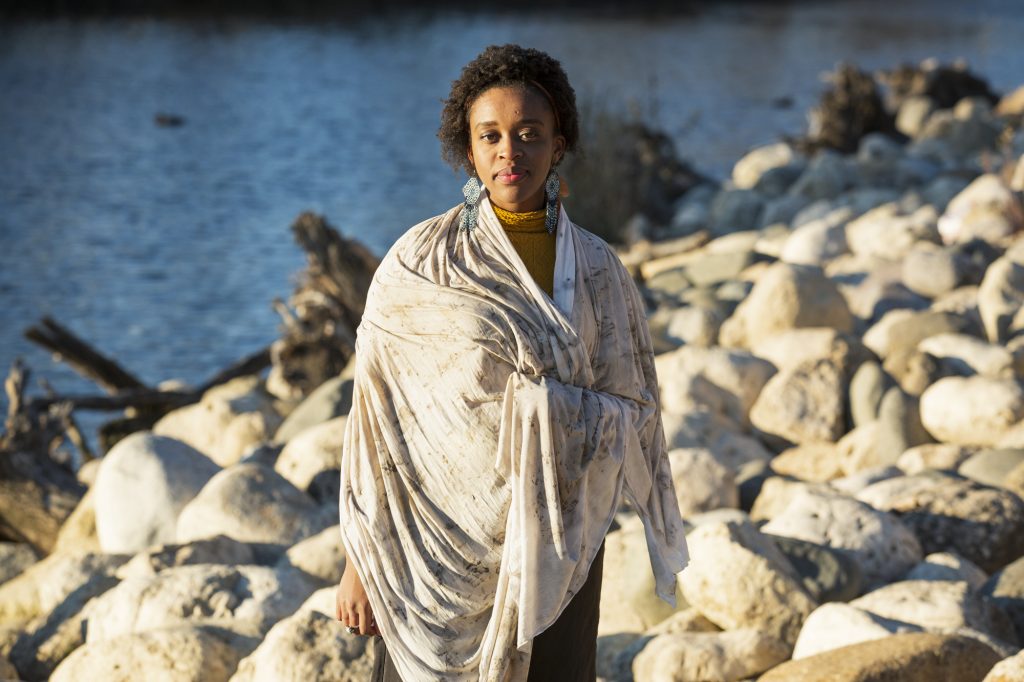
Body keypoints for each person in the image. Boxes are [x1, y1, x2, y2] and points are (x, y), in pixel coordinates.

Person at [336, 44, 688, 682]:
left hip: (561, 541)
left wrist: (549, 414)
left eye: (529, 134)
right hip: (432, 552)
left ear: (558, 145)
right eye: (490, 135)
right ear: (467, 149)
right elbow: (377, 427)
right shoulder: (420, 264)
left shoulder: (599, 270)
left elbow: (637, 411)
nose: (510, 151)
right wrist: (360, 562)